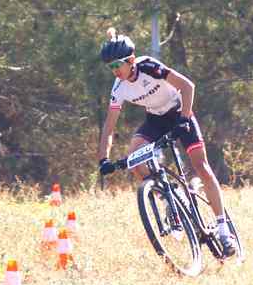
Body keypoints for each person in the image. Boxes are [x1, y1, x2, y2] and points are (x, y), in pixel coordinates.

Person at [96, 28, 237, 256]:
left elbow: (188, 87)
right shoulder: (118, 88)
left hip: (179, 112)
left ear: (131, 60)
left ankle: (224, 230)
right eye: (110, 67)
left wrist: (185, 118)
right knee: (134, 161)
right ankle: (171, 197)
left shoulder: (148, 66)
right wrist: (103, 159)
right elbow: (109, 127)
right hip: (156, 120)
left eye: (117, 65)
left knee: (201, 167)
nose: (114, 71)